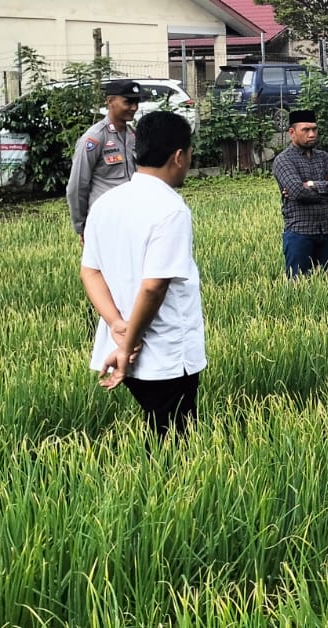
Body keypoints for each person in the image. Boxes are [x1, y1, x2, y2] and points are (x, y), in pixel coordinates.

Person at [80, 110, 204, 442]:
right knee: (176, 445)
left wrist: (117, 327)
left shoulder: (106, 203)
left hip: (123, 346)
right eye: (189, 153)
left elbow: (90, 271)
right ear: (179, 156)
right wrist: (131, 341)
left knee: (159, 434)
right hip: (164, 354)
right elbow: (153, 287)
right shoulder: (171, 209)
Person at [272, 109, 328, 278]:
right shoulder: (283, 160)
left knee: (325, 285)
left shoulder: (324, 157)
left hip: (326, 232)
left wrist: (312, 184)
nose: (312, 134)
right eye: (305, 130)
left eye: (314, 129)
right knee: (298, 288)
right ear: (292, 132)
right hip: (299, 233)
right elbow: (298, 192)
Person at [66, 79, 141, 238]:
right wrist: (82, 227)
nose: (134, 108)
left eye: (136, 102)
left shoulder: (133, 135)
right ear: (110, 101)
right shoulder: (95, 138)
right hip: (106, 221)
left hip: (132, 219)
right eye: (128, 102)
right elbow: (77, 185)